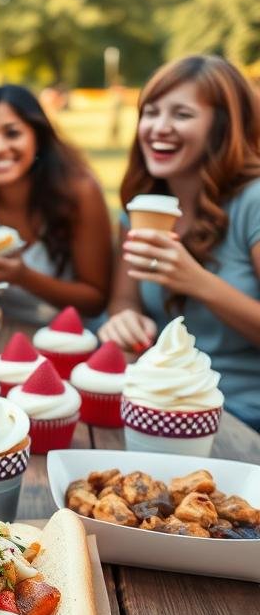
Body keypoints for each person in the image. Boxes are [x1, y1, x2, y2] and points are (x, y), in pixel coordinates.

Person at [99, 55, 260, 430]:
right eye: (150, 112)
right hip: (154, 406)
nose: (159, 128)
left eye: (182, 115)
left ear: (222, 129)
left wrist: (196, 281)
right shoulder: (140, 210)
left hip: (241, 415)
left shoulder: (252, 202)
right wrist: (124, 319)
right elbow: (123, 299)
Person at [0, 85, 112, 325]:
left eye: (12, 133)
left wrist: (23, 277)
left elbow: (95, 301)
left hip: (73, 342)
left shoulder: (79, 191)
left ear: (38, 138)